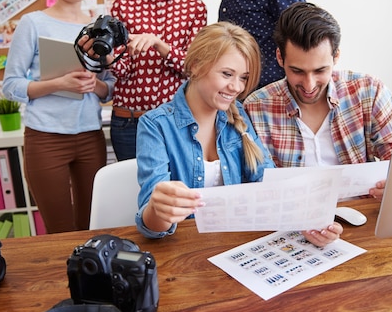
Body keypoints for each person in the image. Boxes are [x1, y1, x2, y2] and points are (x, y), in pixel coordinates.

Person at [135, 22, 343, 247]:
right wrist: (159, 209)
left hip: (231, 246)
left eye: (243, 77)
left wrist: (310, 219)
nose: (236, 87)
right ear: (195, 66)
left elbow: (267, 183)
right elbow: (151, 229)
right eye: (227, 74)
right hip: (183, 251)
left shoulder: (239, 115)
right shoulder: (155, 125)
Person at [2, 0, 116, 233]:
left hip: (91, 136)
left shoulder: (98, 25)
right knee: (60, 231)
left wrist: (96, 86)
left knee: (93, 226)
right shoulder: (33, 23)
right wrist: (58, 84)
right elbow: (11, 86)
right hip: (46, 139)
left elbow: (110, 88)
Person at [244, 2, 392, 200]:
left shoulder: (368, 92)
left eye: (320, 71)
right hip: (292, 222)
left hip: (361, 218)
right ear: (279, 58)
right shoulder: (256, 108)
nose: (309, 86)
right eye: (297, 71)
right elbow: (253, 185)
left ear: (336, 57)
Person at [108, 0, 208, 161]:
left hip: (176, 120)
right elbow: (121, 70)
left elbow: (194, 70)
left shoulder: (193, 6)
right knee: (135, 197)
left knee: (179, 193)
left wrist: (159, 44)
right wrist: (106, 56)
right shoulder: (123, 5)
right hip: (129, 122)